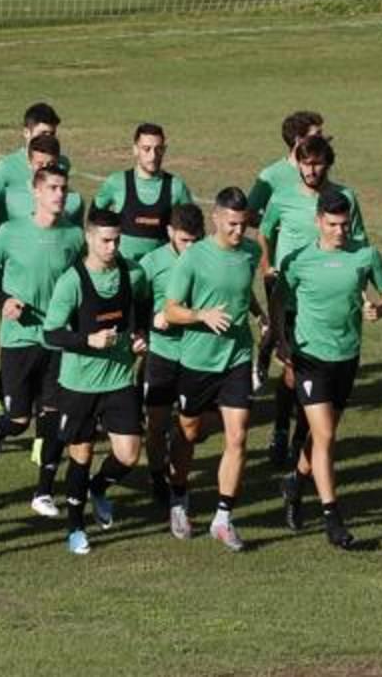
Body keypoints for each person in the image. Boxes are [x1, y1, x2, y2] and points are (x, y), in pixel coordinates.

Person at [273, 189, 382, 549]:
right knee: (325, 436)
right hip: (310, 357)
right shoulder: (299, 260)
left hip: (347, 357)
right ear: (318, 222)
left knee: (318, 439)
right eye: (332, 225)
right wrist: (282, 339)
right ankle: (333, 519)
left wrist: (381, 308)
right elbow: (280, 297)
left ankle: (295, 482)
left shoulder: (366, 254)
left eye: (344, 225)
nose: (339, 232)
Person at [43, 208, 149, 554]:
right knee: (82, 454)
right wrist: (87, 341)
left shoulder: (132, 273)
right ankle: (75, 527)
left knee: (130, 454)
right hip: (79, 385)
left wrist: (140, 334)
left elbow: (143, 304)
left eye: (117, 240)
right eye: (105, 240)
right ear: (89, 238)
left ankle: (99, 488)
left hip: (119, 379)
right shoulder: (71, 282)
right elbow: (52, 334)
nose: (112, 247)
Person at [257, 135, 366, 469]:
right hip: (292, 297)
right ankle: (279, 428)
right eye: (305, 163)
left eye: (317, 163)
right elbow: (264, 231)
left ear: (328, 164)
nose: (311, 170)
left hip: (330, 297)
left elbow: (360, 243)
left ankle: (299, 442)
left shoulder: (345, 198)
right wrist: (267, 266)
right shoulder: (283, 197)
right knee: (291, 370)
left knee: (309, 375)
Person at [0, 164, 85, 518]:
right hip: (20, 339)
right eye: (54, 188)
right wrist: (3, 301)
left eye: (64, 188)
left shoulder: (74, 236)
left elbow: (85, 280)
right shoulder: (10, 233)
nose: (60, 195)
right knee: (20, 419)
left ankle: (43, 492)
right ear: (37, 192)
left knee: (54, 416)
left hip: (58, 340)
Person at [165, 188, 262, 551]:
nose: (240, 232)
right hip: (198, 360)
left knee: (238, 435)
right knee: (188, 432)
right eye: (233, 225)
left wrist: (259, 314)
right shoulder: (193, 259)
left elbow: (242, 291)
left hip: (236, 357)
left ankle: (223, 518)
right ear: (216, 218)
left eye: (244, 225)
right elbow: (171, 308)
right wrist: (201, 315)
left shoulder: (250, 253)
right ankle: (178, 497)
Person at [249, 111, 326, 406]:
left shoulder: (317, 168)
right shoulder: (271, 176)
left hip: (313, 267)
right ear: (298, 140)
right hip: (279, 267)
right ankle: (265, 359)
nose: (323, 139)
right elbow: (251, 214)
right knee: (280, 323)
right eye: (316, 134)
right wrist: (275, 224)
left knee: (295, 328)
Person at [137, 202, 204, 537]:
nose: (190, 248)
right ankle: (156, 475)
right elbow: (133, 301)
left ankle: (178, 481)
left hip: (198, 356)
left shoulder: (208, 257)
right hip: (163, 355)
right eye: (184, 241)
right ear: (169, 234)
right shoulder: (151, 264)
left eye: (195, 240)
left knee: (193, 427)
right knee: (156, 424)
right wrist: (147, 325)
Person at [92, 122, 194, 262]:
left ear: (164, 150)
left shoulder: (176, 187)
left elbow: (193, 228)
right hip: (124, 270)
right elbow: (93, 219)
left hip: (160, 272)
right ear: (135, 149)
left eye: (158, 149)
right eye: (146, 149)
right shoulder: (116, 182)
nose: (152, 156)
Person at [0, 102, 71, 216]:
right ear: (26, 132)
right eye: (43, 133)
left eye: (52, 134)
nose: (47, 139)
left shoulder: (62, 164)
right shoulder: (6, 167)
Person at [0, 133, 85, 231]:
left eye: (51, 164)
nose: (45, 168)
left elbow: (77, 237)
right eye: (40, 164)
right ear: (29, 163)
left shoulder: (74, 201)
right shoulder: (8, 196)